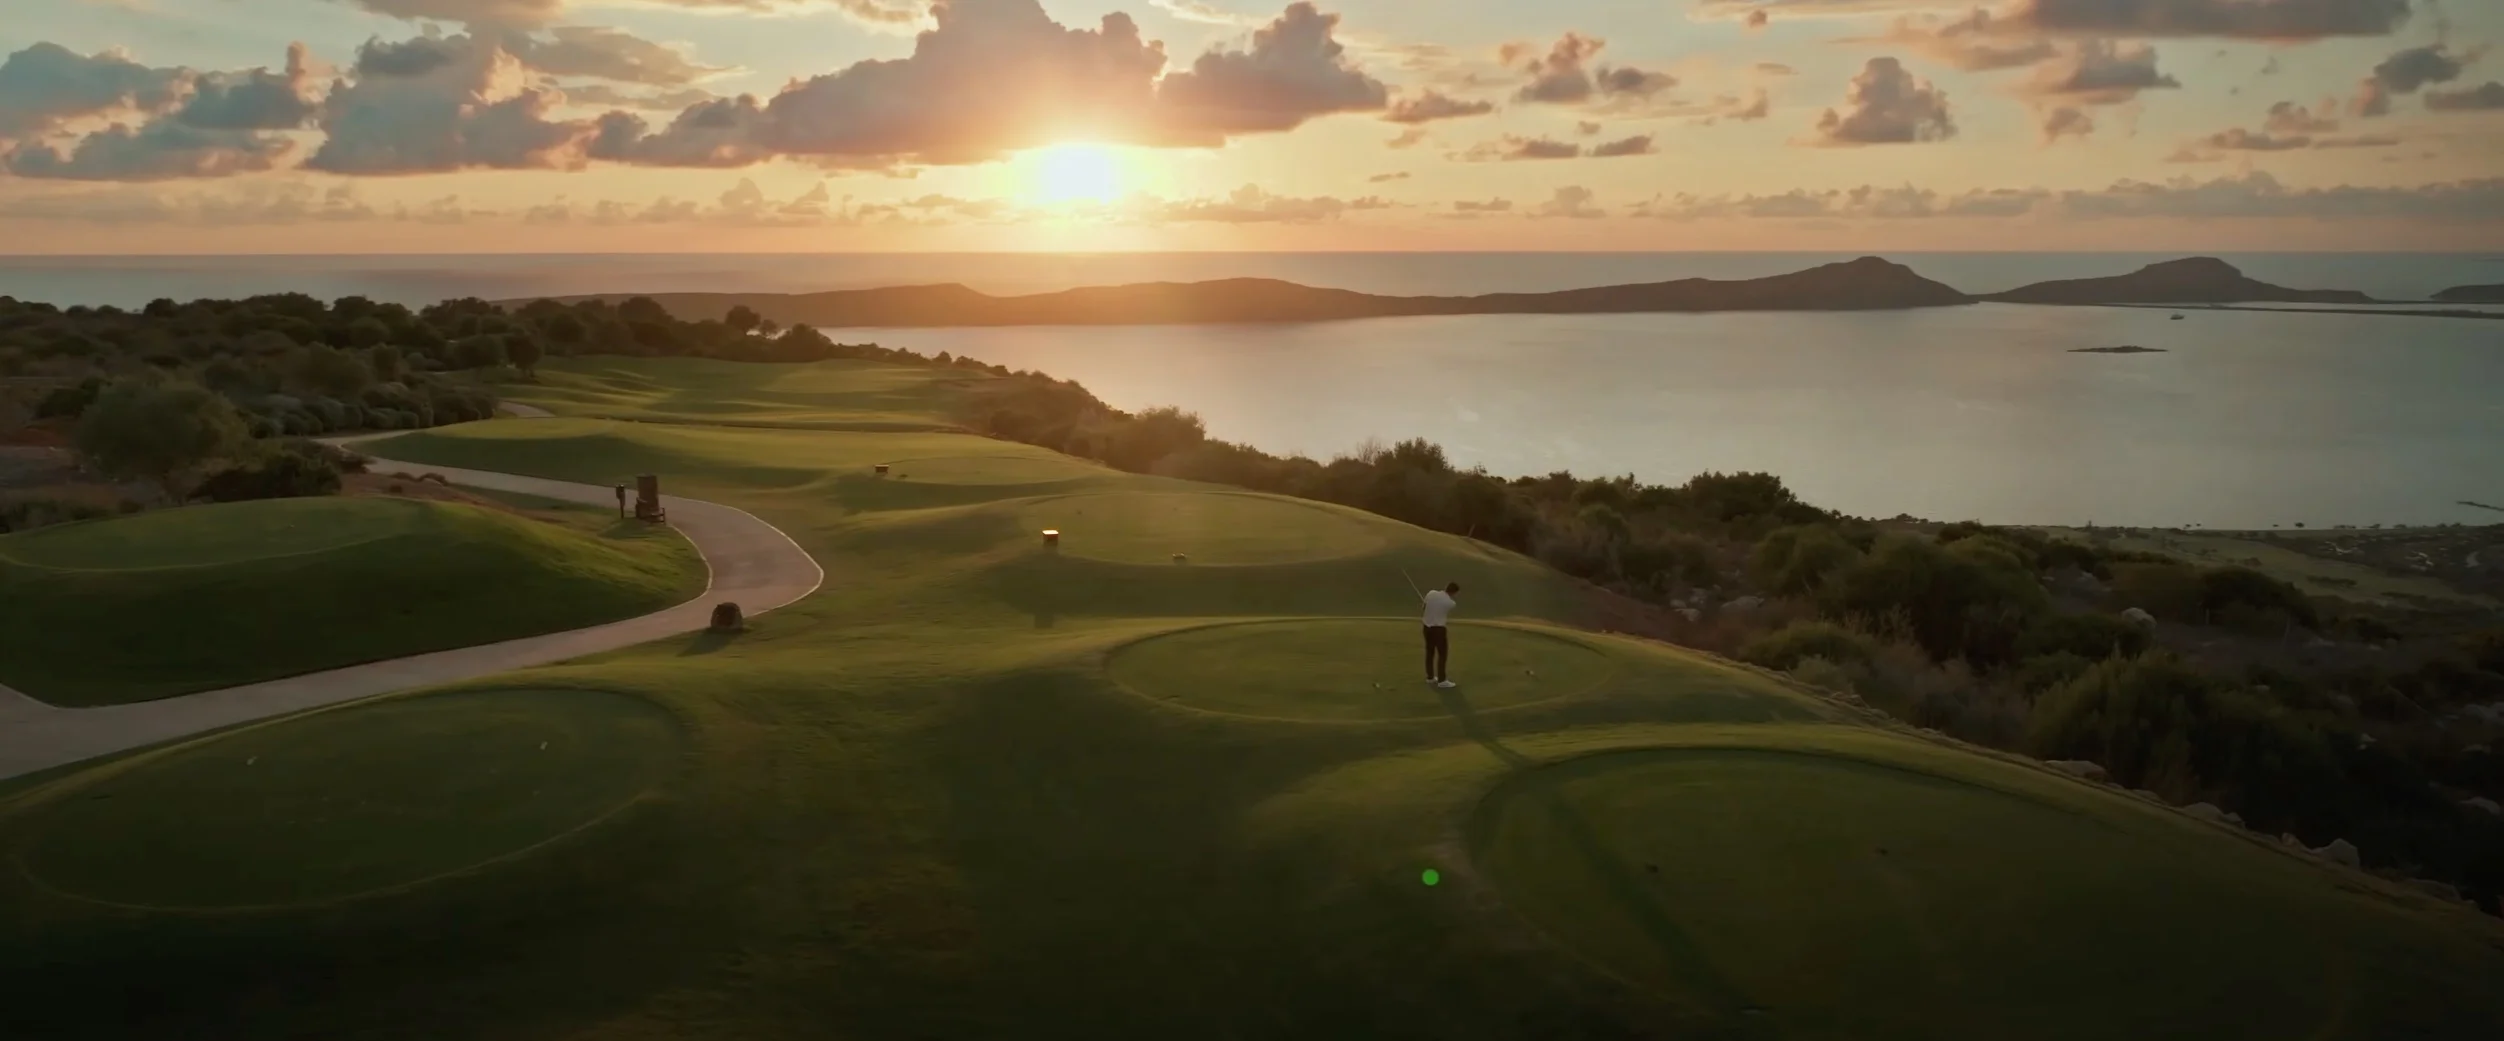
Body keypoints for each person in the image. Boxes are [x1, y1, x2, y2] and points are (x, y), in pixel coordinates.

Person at [1421, 581, 1459, 689]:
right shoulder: (1451, 603)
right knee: (1442, 654)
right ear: (1454, 592)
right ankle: (1442, 681)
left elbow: (1423, 607)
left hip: (1426, 628)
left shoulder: (1431, 593)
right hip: (1438, 629)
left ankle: (1430, 677)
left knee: (1430, 653)